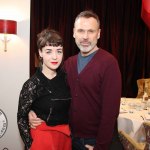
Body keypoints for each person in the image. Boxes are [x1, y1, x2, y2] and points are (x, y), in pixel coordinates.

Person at [28, 10, 123, 150]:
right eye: (81, 31)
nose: (85, 36)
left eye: (91, 31)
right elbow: (49, 91)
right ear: (74, 33)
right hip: (69, 137)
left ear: (99, 33)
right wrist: (31, 110)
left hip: (94, 141)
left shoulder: (109, 63)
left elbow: (110, 112)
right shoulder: (68, 63)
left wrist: (101, 147)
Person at [17, 29, 72, 150]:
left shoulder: (67, 78)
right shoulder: (32, 84)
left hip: (65, 139)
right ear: (40, 53)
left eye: (59, 51)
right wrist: (31, 145)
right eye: (48, 51)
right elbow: (21, 118)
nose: (55, 56)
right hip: (42, 141)